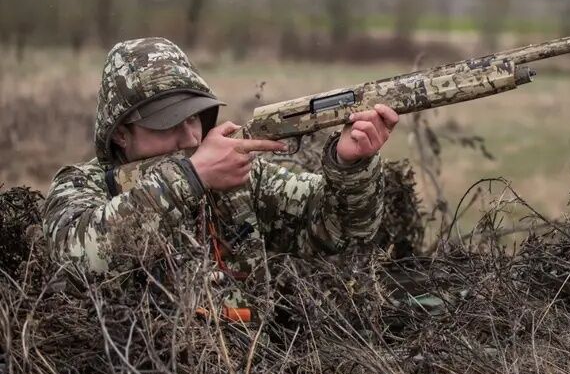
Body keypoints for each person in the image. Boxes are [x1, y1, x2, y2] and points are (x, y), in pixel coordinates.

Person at [43, 37, 398, 317]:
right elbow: (81, 263)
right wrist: (191, 177)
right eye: (167, 125)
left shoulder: (236, 176)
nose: (190, 138)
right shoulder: (81, 186)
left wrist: (350, 164)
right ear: (121, 133)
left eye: (193, 118)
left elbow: (339, 232)